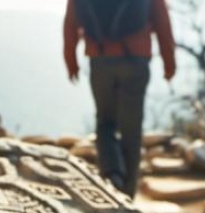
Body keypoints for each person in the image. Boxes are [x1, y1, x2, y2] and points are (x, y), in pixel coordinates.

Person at [64, 0, 176, 198]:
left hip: (99, 59)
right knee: (131, 129)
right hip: (135, 59)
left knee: (105, 121)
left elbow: (71, 22)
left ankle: (112, 173)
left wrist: (71, 60)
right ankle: (128, 190)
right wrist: (169, 63)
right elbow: (162, 22)